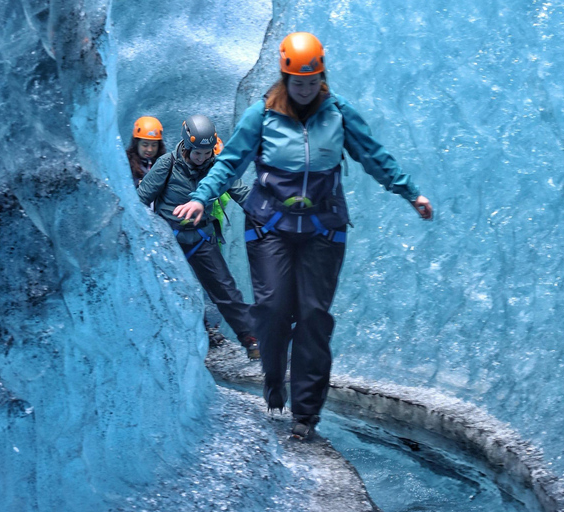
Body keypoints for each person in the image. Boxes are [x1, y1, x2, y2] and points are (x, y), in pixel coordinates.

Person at [173, 32, 433, 439]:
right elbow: (229, 162)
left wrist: (410, 192)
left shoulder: (338, 114)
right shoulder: (262, 115)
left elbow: (374, 156)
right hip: (269, 227)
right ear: (286, 77)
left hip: (322, 228)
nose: (306, 89)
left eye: (312, 82)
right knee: (273, 310)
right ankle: (274, 377)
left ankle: (305, 415)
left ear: (321, 77)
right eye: (298, 82)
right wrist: (201, 197)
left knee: (313, 317)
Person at [137, 115, 260, 359]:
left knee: (225, 290)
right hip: (169, 242)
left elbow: (242, 193)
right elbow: (141, 199)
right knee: (174, 293)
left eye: (206, 153)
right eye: (197, 153)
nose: (202, 158)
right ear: (186, 146)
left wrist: (267, 212)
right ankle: (179, 345)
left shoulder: (216, 167)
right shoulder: (167, 164)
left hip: (201, 239)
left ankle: (251, 339)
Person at [127, 116, 167, 187]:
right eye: (145, 145)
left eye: (154, 145)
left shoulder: (164, 163)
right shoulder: (126, 162)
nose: (150, 149)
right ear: (136, 144)